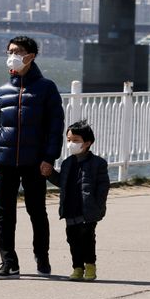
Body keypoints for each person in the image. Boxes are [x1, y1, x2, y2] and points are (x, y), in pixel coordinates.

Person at [0, 35, 65, 279]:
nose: (12, 56)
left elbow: (55, 127)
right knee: (4, 213)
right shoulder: (2, 91)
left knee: (36, 210)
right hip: (5, 161)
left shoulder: (46, 88)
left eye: (17, 51)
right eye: (10, 51)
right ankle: (9, 262)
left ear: (31, 56)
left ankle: (42, 255)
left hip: (35, 162)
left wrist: (50, 158)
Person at [45, 120, 110, 281]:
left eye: (75, 141)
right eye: (68, 140)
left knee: (87, 237)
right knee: (72, 238)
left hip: (88, 210)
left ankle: (90, 265)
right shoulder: (67, 163)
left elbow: (103, 188)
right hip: (70, 208)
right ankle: (77, 267)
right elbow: (62, 182)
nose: (71, 144)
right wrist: (50, 173)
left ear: (87, 143)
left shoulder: (98, 164)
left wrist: (98, 206)